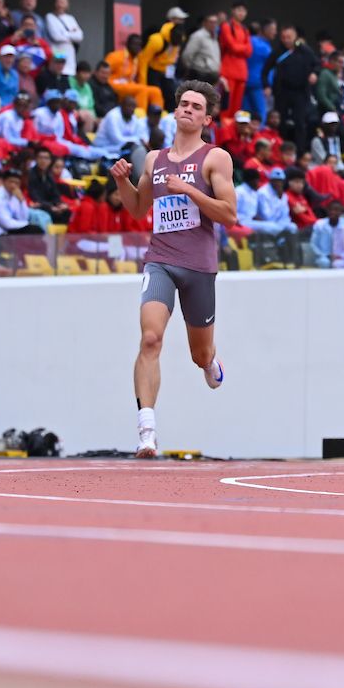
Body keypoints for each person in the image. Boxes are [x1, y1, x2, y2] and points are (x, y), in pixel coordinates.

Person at [108, 78, 237, 457]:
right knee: (151, 339)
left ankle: (210, 362)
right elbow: (136, 208)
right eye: (183, 104)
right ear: (175, 109)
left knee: (199, 354)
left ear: (207, 119)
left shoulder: (216, 158)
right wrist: (121, 182)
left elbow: (229, 214)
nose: (188, 110)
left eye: (196, 107)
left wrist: (191, 191)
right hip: (160, 260)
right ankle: (146, 430)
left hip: (198, 266)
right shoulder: (154, 159)